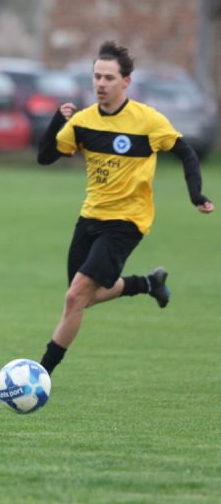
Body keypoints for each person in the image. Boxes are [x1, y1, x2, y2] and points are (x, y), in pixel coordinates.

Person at [35, 41, 213, 376]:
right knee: (84, 297)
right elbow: (45, 157)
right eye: (97, 77)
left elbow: (186, 153)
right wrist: (56, 121)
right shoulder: (84, 121)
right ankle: (147, 284)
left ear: (126, 81)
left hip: (128, 221)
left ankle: (40, 374)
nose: (101, 84)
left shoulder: (147, 120)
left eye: (109, 78)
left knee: (75, 298)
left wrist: (196, 194)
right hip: (90, 217)